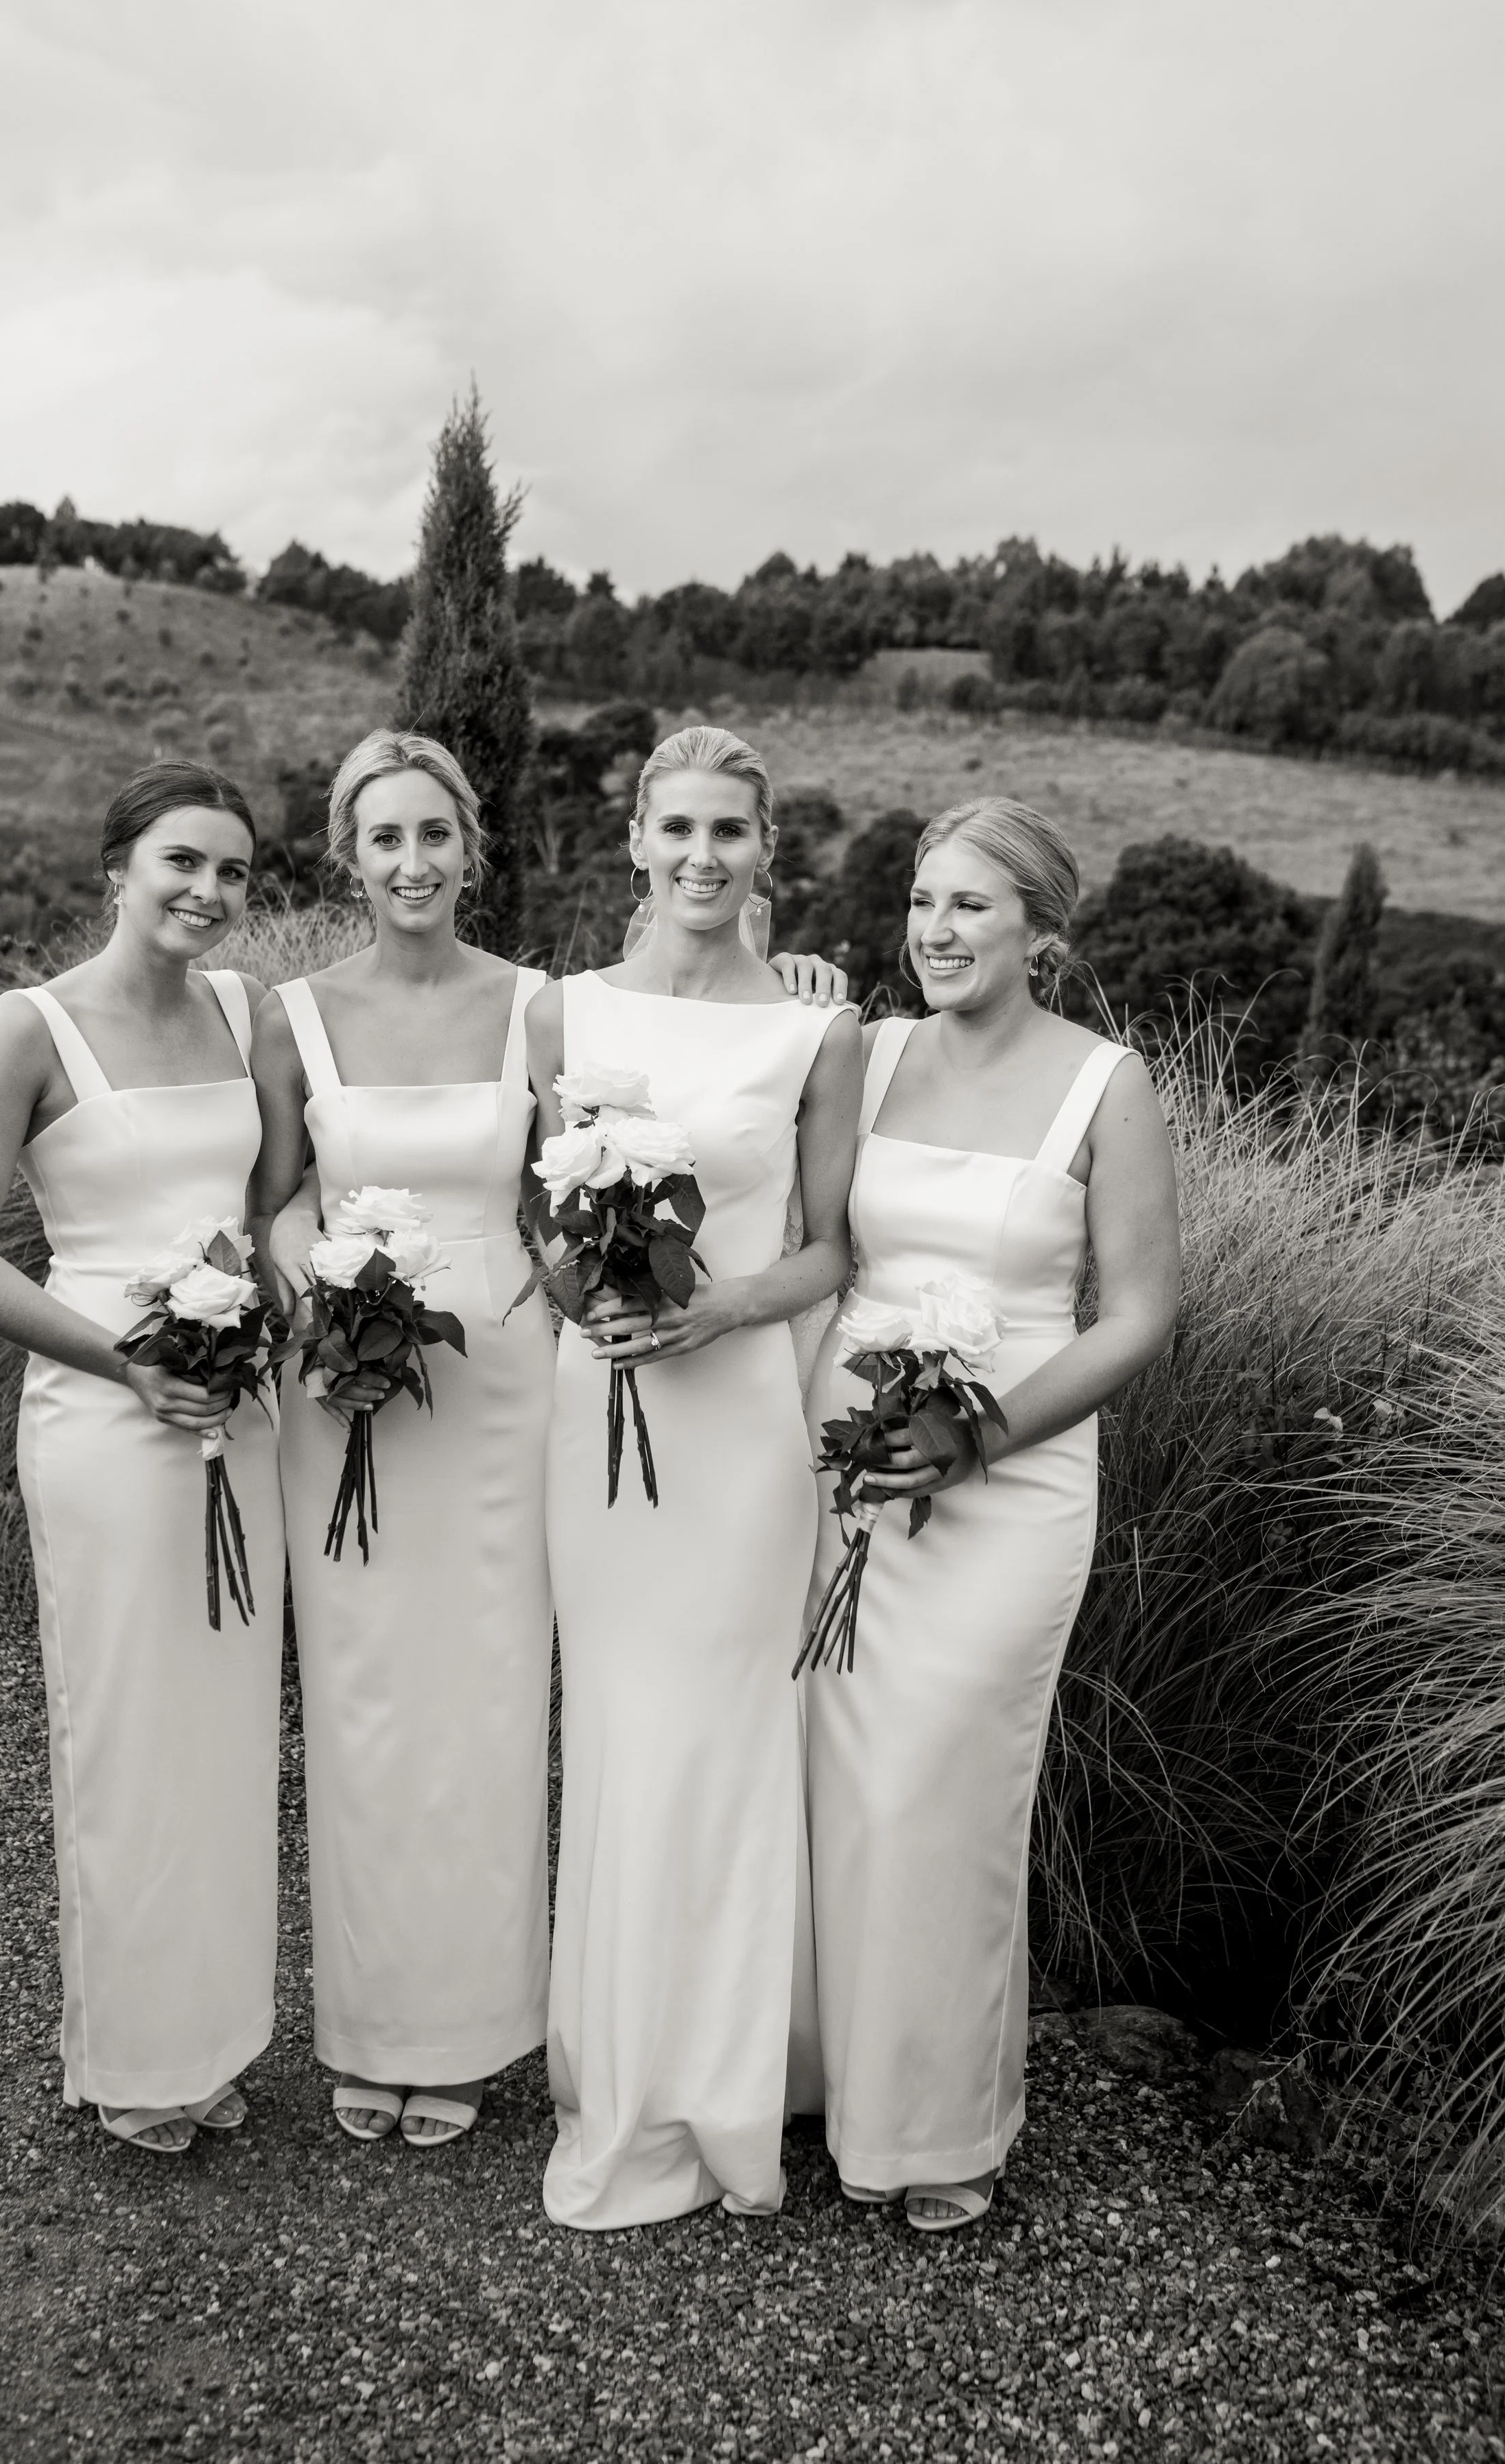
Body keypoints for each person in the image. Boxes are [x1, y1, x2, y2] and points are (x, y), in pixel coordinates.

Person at [794, 797, 1179, 2231]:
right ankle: (824, 2078)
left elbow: (1140, 1313)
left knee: (939, 1785)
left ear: (1040, 932)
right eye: (919, 902)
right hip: (841, 1471)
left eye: (968, 907)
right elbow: (804, 1229)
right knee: (832, 1775)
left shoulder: (1105, 1087)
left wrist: (982, 1431)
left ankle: (935, 2120)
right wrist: (789, 990)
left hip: (1010, 1483)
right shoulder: (865, 1051)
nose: (933, 932)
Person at [0, 763, 283, 2156]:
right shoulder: (32, 1028)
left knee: (229, 1734)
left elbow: (265, 1204)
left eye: (234, 873)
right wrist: (123, 1360)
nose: (207, 892)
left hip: (238, 1412)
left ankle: (218, 2034)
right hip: (105, 1418)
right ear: (117, 866)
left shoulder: (244, 1011)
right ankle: (134, 2059)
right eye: (181, 861)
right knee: (127, 1733)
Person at [529, 724, 864, 2229]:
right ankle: (617, 2063)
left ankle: (726, 2090)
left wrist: (719, 1307)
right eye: (676, 829)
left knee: (725, 1735)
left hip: (734, 1421)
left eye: (728, 831)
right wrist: (581, 1292)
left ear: (761, 848)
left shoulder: (816, 1032)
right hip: (594, 1414)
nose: (701, 857)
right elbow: (538, 1212)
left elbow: (830, 1248)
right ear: (636, 841)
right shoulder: (565, 1010)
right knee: (615, 1726)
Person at [254, 732, 556, 2150]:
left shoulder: (539, 1009)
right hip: (352, 1398)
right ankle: (372, 2030)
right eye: (385, 840)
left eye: (436, 835)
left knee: (488, 1706)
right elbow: (273, 1202)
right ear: (348, 855)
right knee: (367, 1706)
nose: (413, 863)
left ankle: (473, 2033)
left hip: (502, 1390)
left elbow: (570, 1194)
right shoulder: (292, 1017)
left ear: (469, 844)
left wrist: (787, 959)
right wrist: (319, 1315)